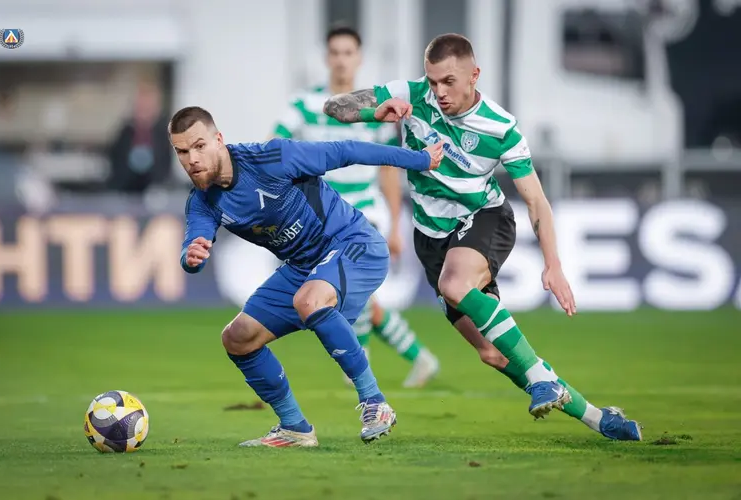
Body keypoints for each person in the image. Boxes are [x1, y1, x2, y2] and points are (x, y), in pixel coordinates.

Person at [323, 33, 642, 441]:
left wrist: (553, 265)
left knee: (454, 284)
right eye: (432, 81)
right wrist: (376, 111)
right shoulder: (413, 94)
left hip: (484, 218)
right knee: (492, 353)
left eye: (449, 82)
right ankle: (599, 419)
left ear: (474, 75)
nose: (439, 92)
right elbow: (335, 107)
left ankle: (543, 381)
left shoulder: (501, 126)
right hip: (431, 239)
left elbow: (537, 201)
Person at [170, 106, 444, 447]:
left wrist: (419, 160)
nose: (192, 159)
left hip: (353, 243)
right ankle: (294, 428)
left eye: (199, 146)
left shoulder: (273, 158)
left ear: (219, 140)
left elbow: (347, 151)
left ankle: (375, 403)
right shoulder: (202, 202)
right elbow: (193, 245)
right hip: (303, 267)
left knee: (309, 300)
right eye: (182, 152)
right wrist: (191, 257)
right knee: (237, 337)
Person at [272, 25, 439, 388]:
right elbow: (276, 147)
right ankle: (419, 357)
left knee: (352, 291)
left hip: (365, 211)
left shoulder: (375, 109)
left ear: (358, 58)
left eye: (348, 52)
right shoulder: (304, 104)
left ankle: (359, 364)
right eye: (335, 52)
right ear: (326, 58)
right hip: (320, 217)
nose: (341, 60)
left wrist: (395, 223)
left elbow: (389, 170)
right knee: (352, 296)